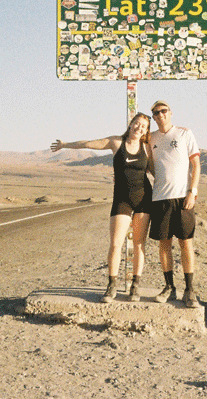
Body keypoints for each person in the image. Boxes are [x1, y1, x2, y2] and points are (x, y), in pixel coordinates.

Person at [51, 113, 153, 302]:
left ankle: (135, 286)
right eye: (136, 124)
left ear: (146, 131)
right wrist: (65, 145)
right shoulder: (116, 143)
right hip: (122, 200)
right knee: (115, 244)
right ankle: (112, 285)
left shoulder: (147, 148)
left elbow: (158, 170)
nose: (139, 128)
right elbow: (88, 143)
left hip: (143, 200)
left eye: (143, 127)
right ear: (130, 125)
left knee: (139, 244)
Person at [147, 100, 201, 308]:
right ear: (153, 117)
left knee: (185, 242)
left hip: (182, 197)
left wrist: (192, 192)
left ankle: (190, 289)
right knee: (164, 244)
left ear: (170, 113)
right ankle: (169, 287)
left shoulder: (184, 133)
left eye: (163, 111)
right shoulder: (150, 138)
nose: (160, 115)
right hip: (160, 198)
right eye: (155, 113)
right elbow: (150, 164)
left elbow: (195, 164)